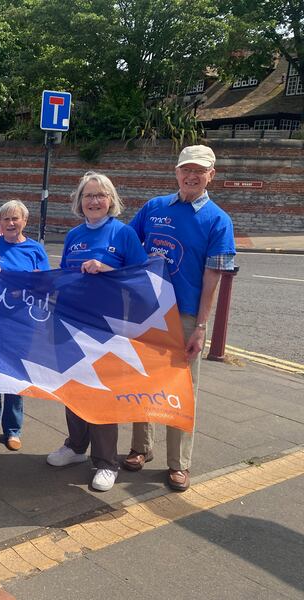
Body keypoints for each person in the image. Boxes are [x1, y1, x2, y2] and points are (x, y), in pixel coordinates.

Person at [124, 145, 235, 492]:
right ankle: (141, 447)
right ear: (176, 172)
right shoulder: (154, 207)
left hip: (185, 316)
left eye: (199, 171)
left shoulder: (218, 220)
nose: (191, 176)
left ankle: (179, 463)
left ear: (210, 176)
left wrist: (201, 327)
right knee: (143, 381)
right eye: (186, 169)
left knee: (181, 390)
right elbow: (127, 245)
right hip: (147, 311)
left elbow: (213, 279)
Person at [46, 172, 147, 491]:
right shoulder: (74, 234)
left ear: (111, 200)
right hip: (71, 322)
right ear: (79, 201)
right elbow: (65, 275)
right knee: (74, 388)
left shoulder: (123, 233)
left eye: (101, 195)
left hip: (107, 326)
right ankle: (76, 447)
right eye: (88, 195)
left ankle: (106, 462)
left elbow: (143, 278)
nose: (94, 201)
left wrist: (109, 270)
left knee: (102, 392)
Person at [0, 200, 50, 451]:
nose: (11, 223)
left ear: (25, 221)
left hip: (19, 322)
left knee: (15, 375)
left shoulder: (35, 250)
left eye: (16, 219)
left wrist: (32, 281)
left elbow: (46, 284)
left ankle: (13, 429)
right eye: (6, 219)